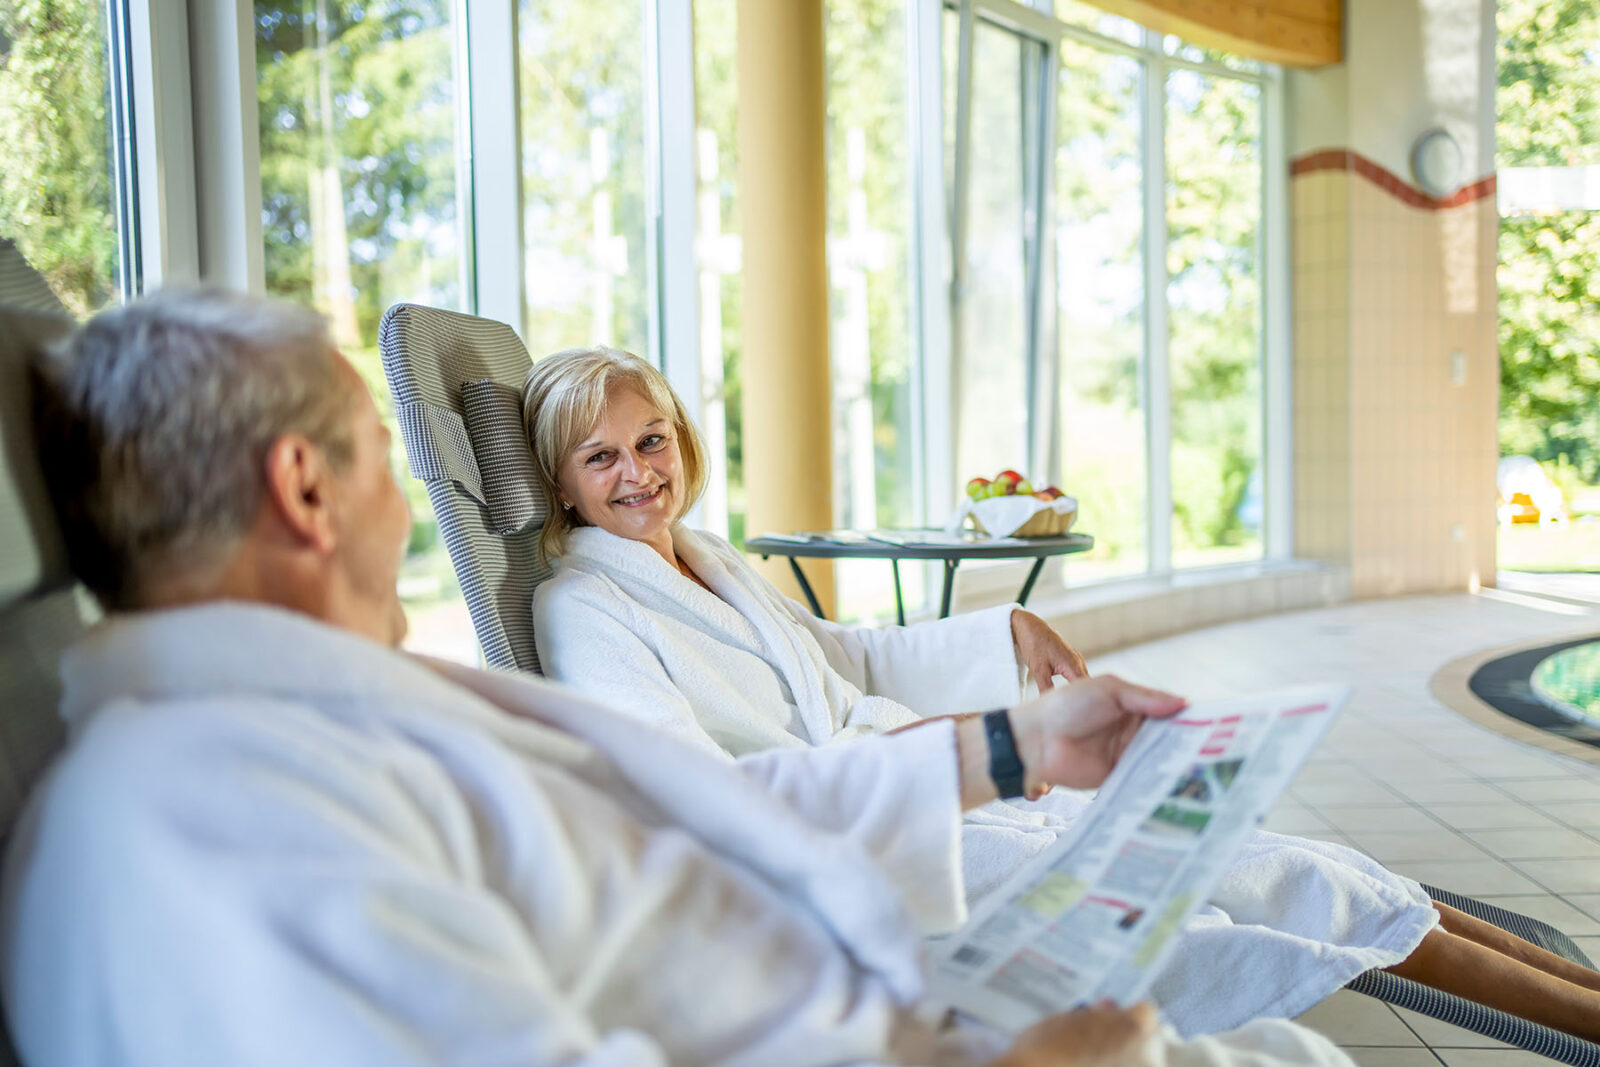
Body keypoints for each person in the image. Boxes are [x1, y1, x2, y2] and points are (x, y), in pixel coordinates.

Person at [0, 287, 1363, 1067]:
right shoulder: (209, 827)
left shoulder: (307, 721)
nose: (404, 516)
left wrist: (1005, 749)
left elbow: (694, 810)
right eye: (371, 451)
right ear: (303, 486)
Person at [524, 345, 1600, 1043]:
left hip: (946, 789)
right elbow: (700, 797)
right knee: (1268, 896)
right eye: (600, 455)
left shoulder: (702, 556)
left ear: (683, 440)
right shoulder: (586, 610)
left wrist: (1002, 631)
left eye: (652, 438)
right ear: (562, 481)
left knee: (1291, 859)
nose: (637, 471)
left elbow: (838, 658)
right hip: (894, 854)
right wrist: (959, 750)